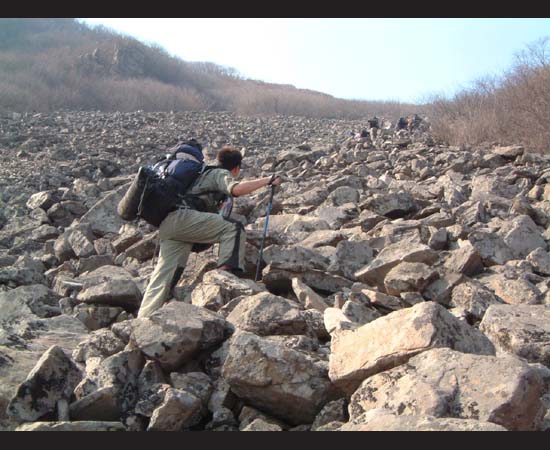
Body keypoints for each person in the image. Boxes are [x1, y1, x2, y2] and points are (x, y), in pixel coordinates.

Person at [137, 145, 283, 318]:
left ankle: (143, 318)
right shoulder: (219, 173)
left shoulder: (199, 175)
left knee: (164, 276)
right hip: (184, 219)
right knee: (233, 228)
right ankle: (223, 280)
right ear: (236, 168)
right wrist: (267, 180)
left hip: (169, 224)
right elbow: (236, 189)